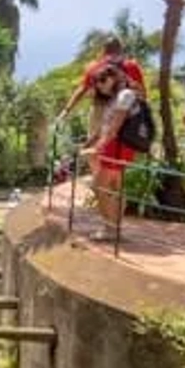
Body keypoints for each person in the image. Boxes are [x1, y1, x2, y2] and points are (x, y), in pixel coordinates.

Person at [58, 38, 147, 173]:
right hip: (125, 112)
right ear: (121, 49)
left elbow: (82, 90)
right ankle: (113, 184)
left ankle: (99, 179)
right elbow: (142, 92)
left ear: (103, 50)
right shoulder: (132, 66)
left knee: (94, 148)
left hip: (100, 110)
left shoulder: (95, 66)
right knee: (121, 149)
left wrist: (66, 110)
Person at [81, 66, 139, 240]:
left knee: (98, 185)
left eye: (102, 81)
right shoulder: (115, 98)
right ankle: (113, 228)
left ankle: (111, 229)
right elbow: (104, 126)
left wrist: (98, 146)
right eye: (98, 84)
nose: (100, 87)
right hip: (114, 146)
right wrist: (90, 143)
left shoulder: (125, 95)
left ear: (114, 77)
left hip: (118, 147)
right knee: (115, 187)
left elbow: (115, 126)